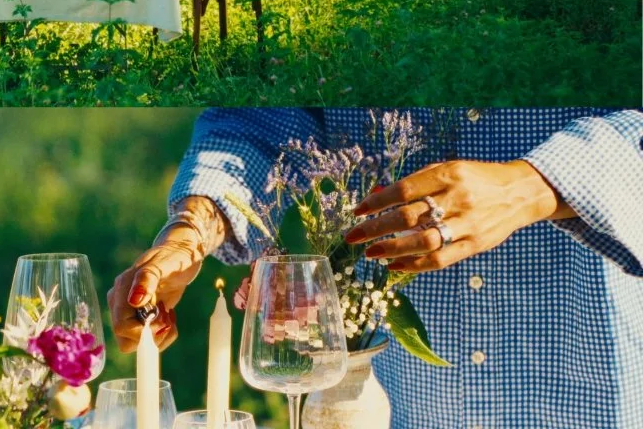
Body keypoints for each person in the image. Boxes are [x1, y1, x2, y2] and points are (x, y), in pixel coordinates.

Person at [108, 108, 643, 427]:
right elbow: (259, 120)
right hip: (400, 400)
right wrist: (191, 231)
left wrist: (533, 185)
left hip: (591, 375)